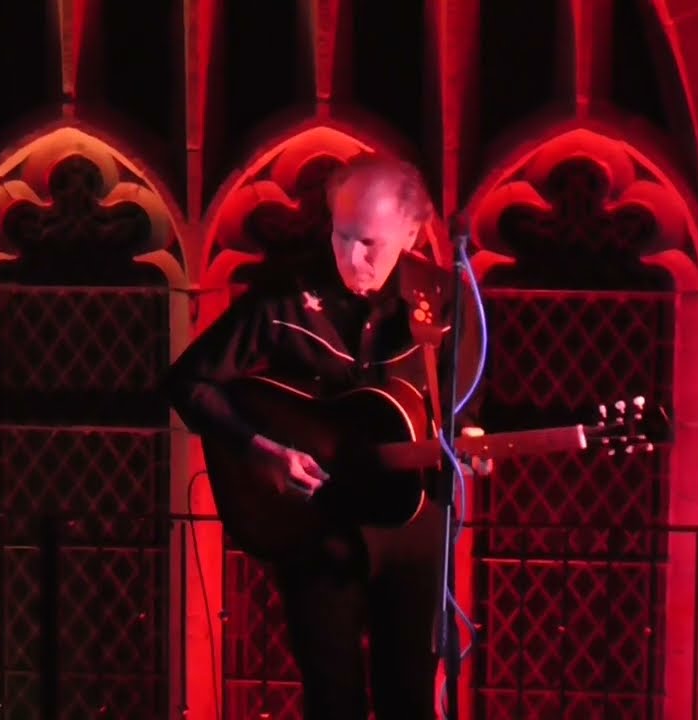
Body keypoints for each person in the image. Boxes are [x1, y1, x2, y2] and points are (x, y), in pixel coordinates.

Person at [166, 153, 487, 718]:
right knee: (332, 699)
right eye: (341, 236)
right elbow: (190, 382)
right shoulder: (286, 295)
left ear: (412, 234)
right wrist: (258, 448)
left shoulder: (443, 303)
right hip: (316, 529)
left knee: (409, 699)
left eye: (370, 243)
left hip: (412, 534)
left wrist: (474, 446)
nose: (351, 258)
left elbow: (464, 416)